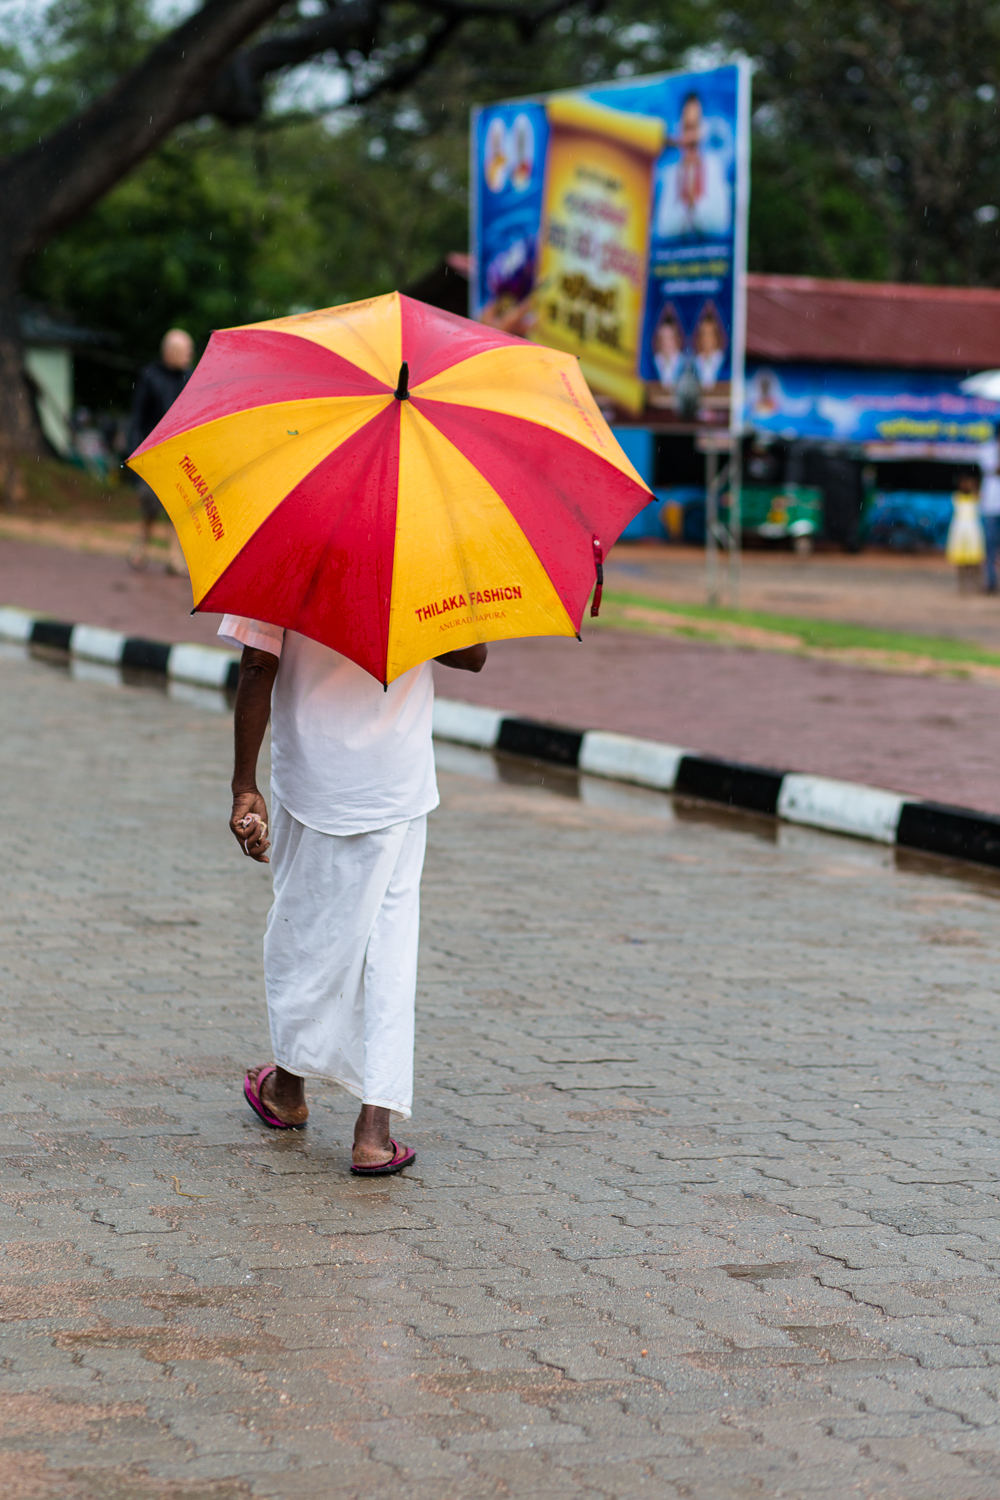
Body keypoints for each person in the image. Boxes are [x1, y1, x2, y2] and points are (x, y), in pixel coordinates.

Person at [221, 615, 487, 1174]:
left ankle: (287, 1090)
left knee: (302, 929)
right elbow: (472, 656)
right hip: (395, 785)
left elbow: (256, 665)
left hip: (310, 780)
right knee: (387, 948)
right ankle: (374, 1131)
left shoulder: (282, 544)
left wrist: (245, 784)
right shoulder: (422, 550)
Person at [126, 328, 194, 573]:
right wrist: (134, 452)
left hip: (180, 454)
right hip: (153, 453)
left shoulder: (190, 377)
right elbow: (138, 418)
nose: (190, 355)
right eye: (186, 351)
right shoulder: (150, 376)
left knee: (179, 509)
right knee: (150, 505)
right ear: (170, 352)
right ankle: (141, 546)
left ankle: (174, 557)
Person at [946, 470, 986, 594]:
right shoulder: (956, 497)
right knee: (960, 561)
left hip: (973, 531)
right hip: (960, 531)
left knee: (975, 561)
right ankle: (962, 586)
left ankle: (977, 585)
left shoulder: (976, 497)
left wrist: (973, 487)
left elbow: (979, 498)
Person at [979, 439, 1000, 593]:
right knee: (990, 547)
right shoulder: (987, 449)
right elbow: (992, 469)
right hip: (991, 507)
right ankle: (990, 582)